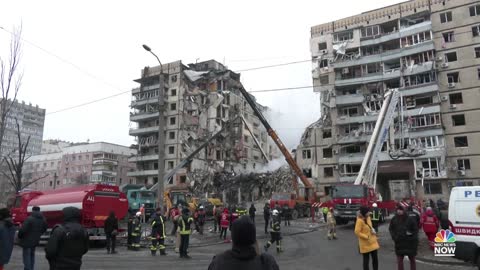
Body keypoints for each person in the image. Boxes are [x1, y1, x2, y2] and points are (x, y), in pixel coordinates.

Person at [208, 215, 279, 270]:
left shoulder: (219, 262)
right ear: (254, 240)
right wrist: (257, 255)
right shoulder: (266, 263)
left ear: (233, 239)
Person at [389, 205, 419, 270]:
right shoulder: (394, 219)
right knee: (399, 261)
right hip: (399, 243)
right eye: (398, 210)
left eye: (401, 210)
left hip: (409, 243)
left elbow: (415, 229)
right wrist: (394, 237)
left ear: (404, 210)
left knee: (412, 260)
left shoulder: (409, 219)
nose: (399, 211)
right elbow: (391, 229)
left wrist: (412, 235)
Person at [18, 205, 47, 270]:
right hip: (35, 240)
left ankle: (28, 269)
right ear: (39, 210)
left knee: (26, 256)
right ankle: (31, 268)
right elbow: (44, 229)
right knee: (32, 255)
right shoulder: (43, 219)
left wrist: (20, 236)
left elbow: (22, 230)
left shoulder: (29, 218)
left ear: (33, 210)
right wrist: (38, 234)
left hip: (27, 241)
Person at [355, 206, 379, 270]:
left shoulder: (368, 218)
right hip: (365, 244)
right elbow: (357, 232)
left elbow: (370, 226)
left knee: (375, 259)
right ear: (364, 213)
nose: (369, 213)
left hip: (373, 242)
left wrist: (372, 229)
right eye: (368, 212)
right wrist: (366, 236)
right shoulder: (359, 221)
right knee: (366, 261)